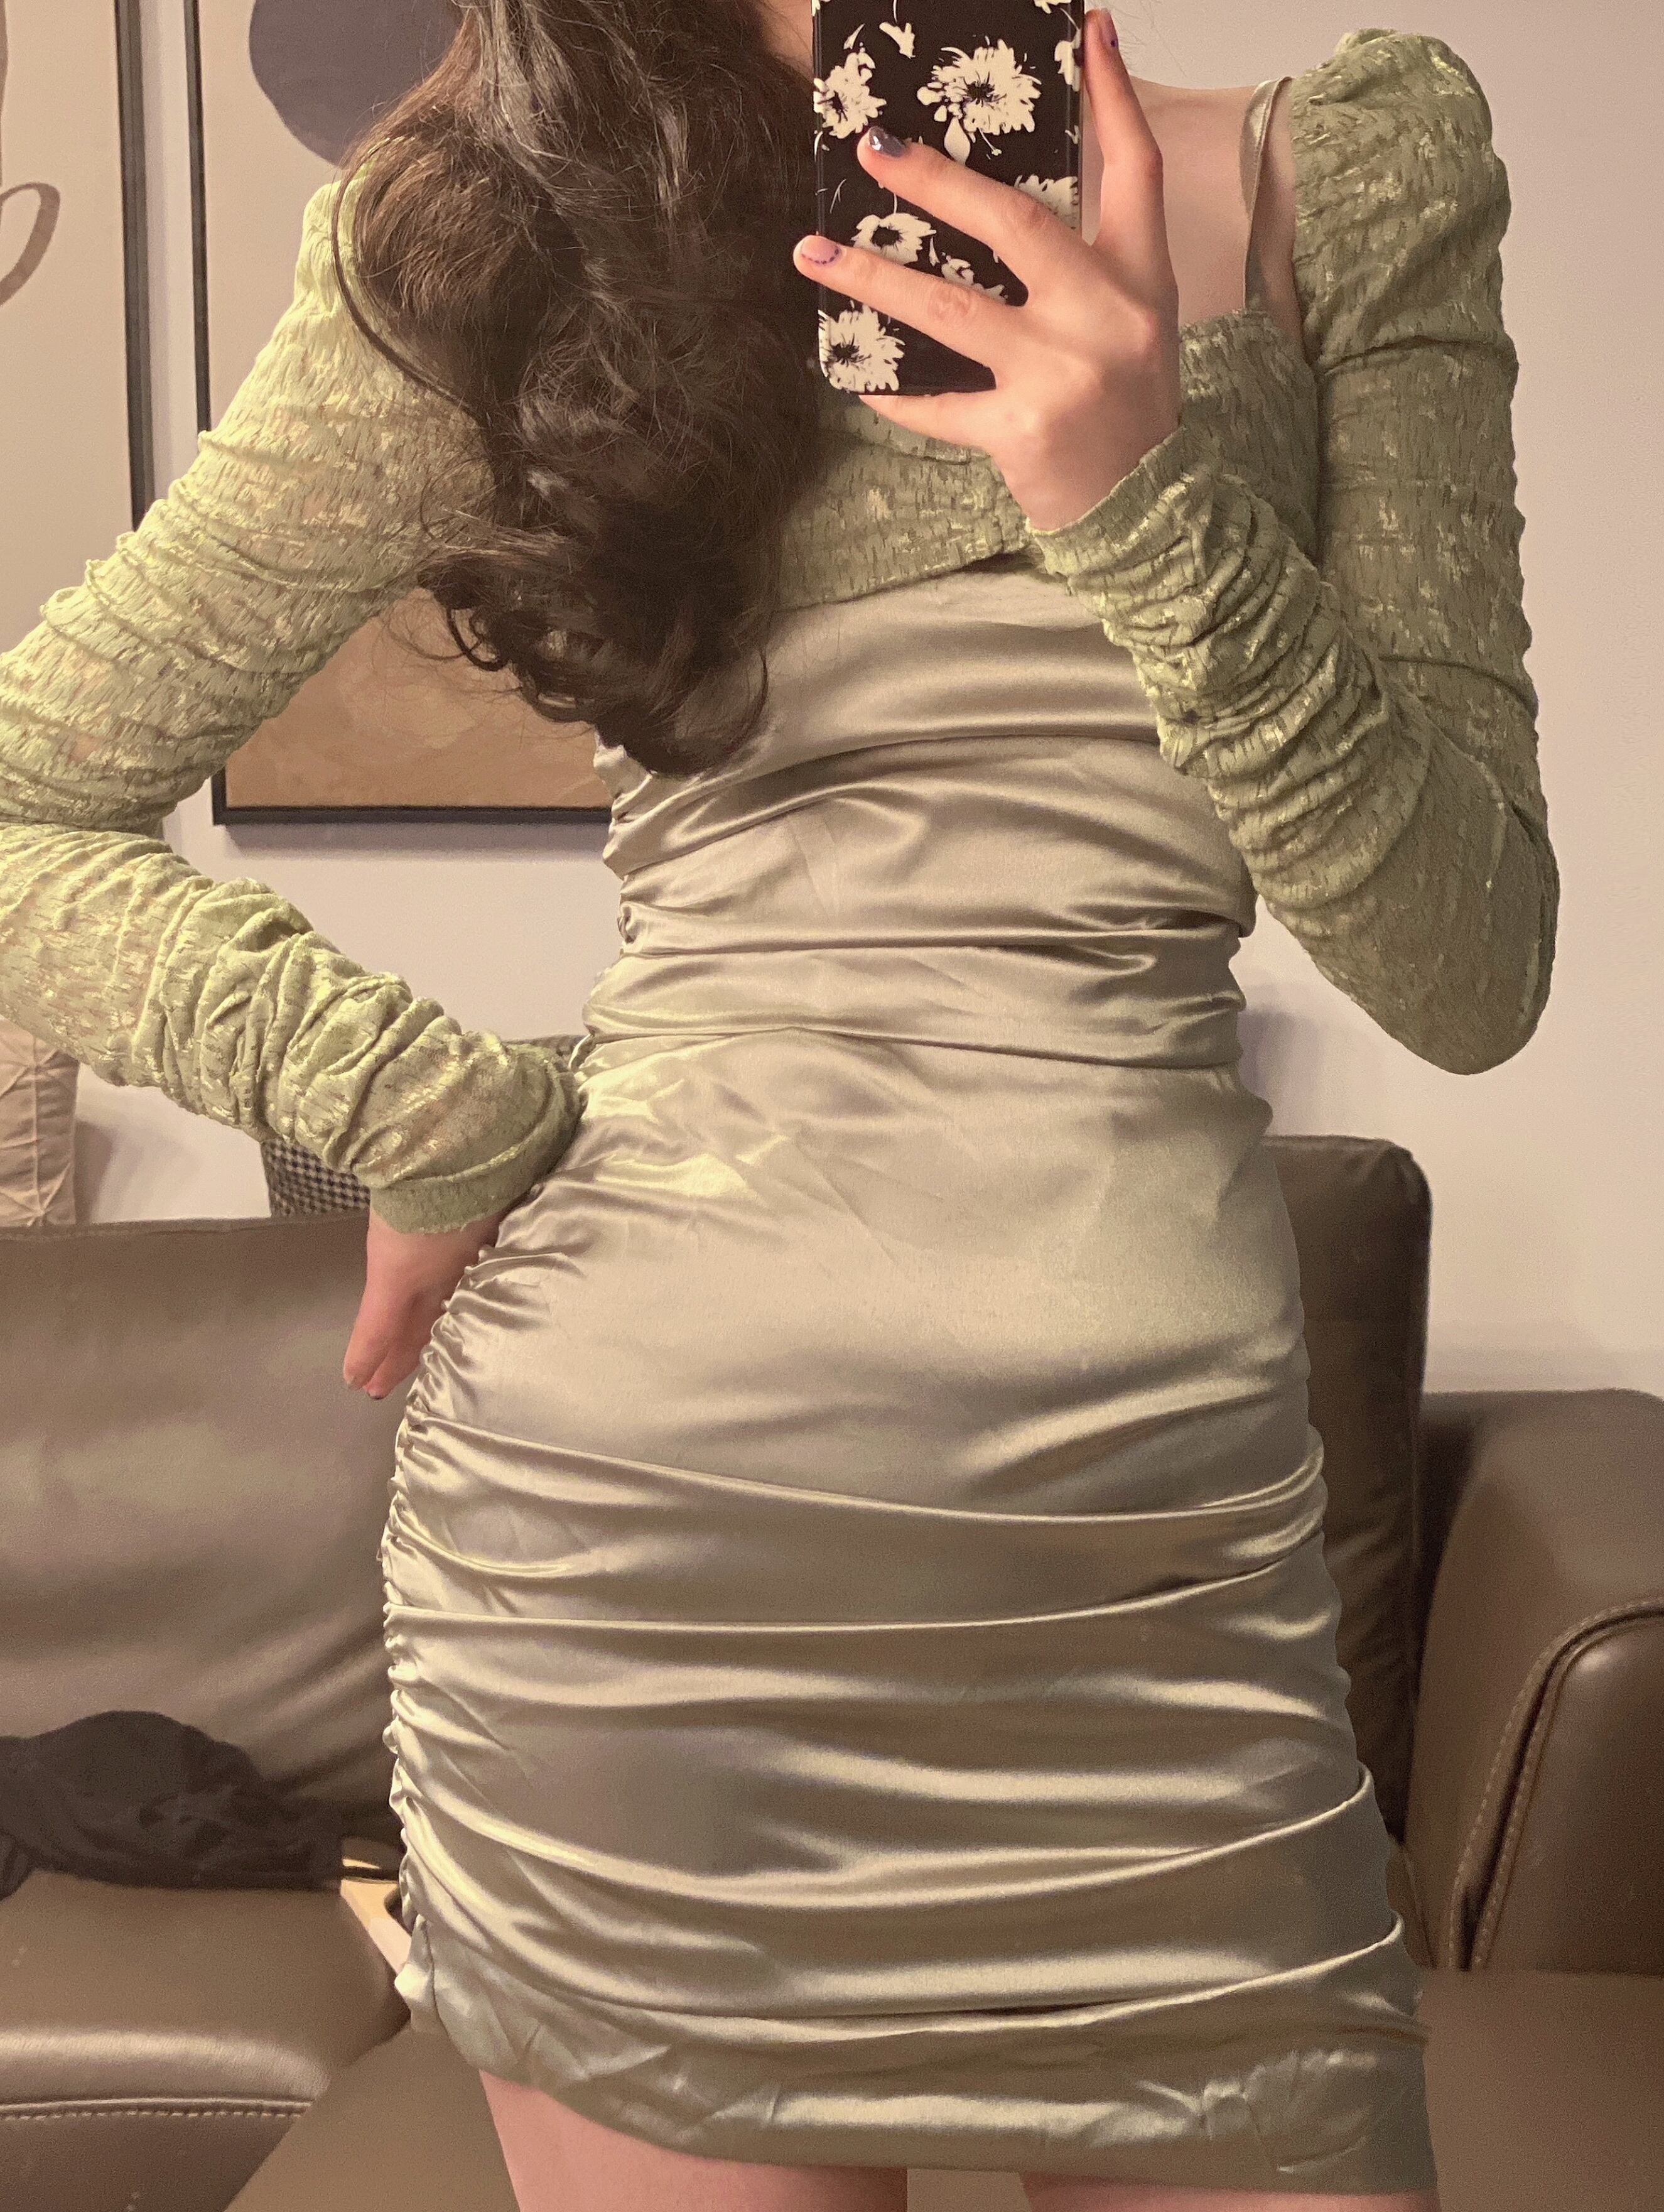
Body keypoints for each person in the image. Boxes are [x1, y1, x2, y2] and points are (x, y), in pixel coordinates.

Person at [0, 2, 1557, 2207]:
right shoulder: (495, 232)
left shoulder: (1357, 168)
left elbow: (1469, 970)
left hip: (1165, 1577)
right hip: (647, 1555)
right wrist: (421, 1103)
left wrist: (1138, 498)